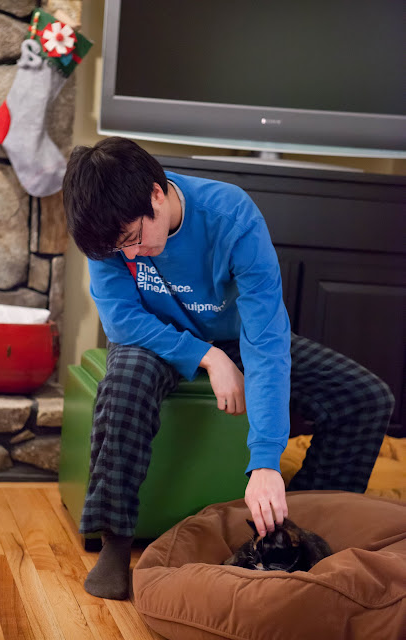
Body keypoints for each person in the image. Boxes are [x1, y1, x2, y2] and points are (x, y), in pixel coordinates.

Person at [62, 137, 394, 600]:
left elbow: (266, 338)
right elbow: (122, 320)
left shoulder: (232, 215)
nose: (131, 255)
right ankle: (115, 544)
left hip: (239, 336)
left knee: (366, 398)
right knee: (124, 383)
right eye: (121, 249)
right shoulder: (109, 234)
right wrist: (207, 356)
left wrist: (266, 460)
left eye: (134, 238)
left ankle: (295, 525)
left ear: (157, 194)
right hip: (153, 336)